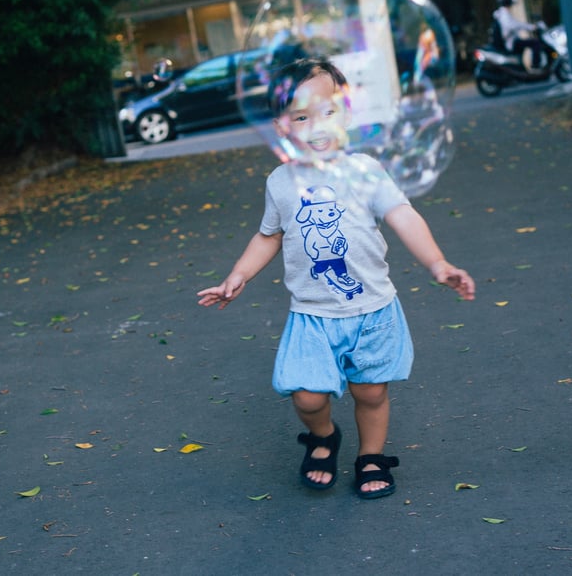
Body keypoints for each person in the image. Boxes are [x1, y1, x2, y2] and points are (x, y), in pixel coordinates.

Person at [197, 57, 475, 499]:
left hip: (372, 310)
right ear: (282, 127)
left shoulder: (365, 171)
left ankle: (371, 455)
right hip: (312, 314)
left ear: (347, 113)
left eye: (328, 111)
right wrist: (239, 274)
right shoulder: (281, 182)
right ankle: (323, 435)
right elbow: (269, 236)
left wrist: (437, 264)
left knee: (370, 391)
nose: (318, 126)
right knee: (306, 396)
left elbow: (403, 215)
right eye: (302, 116)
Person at [493, 0, 546, 71]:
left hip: (510, 41)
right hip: (511, 43)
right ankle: (536, 67)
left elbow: (516, 24)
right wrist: (532, 27)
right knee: (535, 42)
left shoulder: (501, 13)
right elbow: (514, 25)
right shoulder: (504, 14)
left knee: (531, 42)